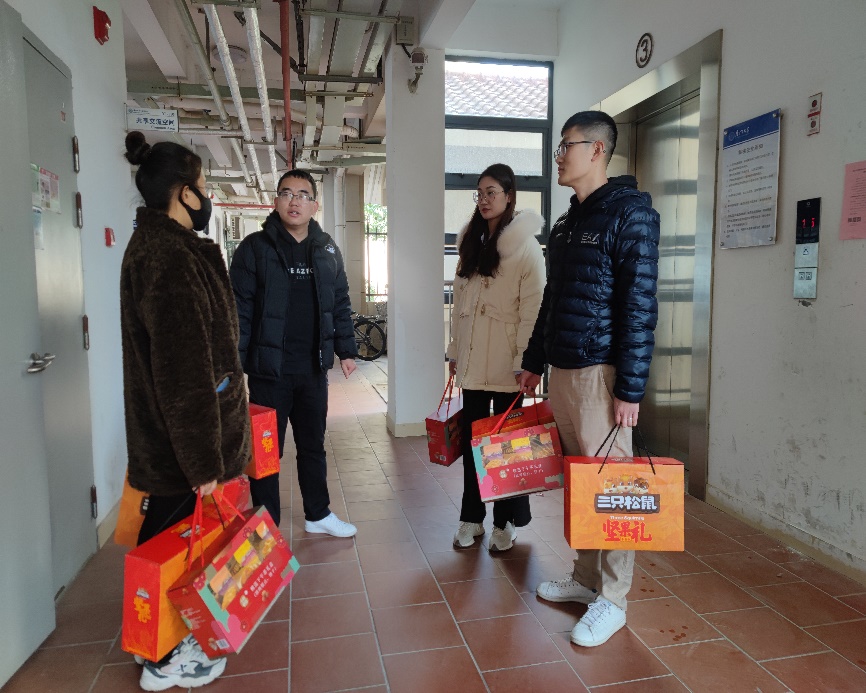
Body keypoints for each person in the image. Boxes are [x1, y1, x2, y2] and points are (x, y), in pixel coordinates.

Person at [519, 111, 660, 647]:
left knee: (614, 488)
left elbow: (639, 308)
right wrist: (535, 360)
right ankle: (584, 577)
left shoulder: (631, 215)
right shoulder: (567, 222)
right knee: (583, 484)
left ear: (597, 150)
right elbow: (551, 301)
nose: (559, 156)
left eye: (566, 146)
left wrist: (630, 389)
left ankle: (613, 599)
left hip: (601, 376)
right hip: (563, 372)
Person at [121, 131, 251, 690]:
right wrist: (203, 463)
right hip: (182, 442)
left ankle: (152, 639)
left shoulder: (156, 248)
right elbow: (183, 372)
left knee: (166, 540)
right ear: (183, 193)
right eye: (203, 186)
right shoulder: (170, 259)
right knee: (174, 544)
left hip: (168, 436)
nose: (207, 197)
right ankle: (165, 657)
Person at [230, 169, 358, 537]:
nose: (294, 200)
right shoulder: (254, 248)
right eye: (287, 193)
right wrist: (234, 362)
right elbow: (238, 309)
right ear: (276, 202)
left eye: (303, 194)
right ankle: (265, 524)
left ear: (314, 205)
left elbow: (340, 302)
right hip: (269, 371)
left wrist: (346, 350)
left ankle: (318, 514)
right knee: (266, 451)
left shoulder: (327, 249)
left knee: (313, 446)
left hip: (313, 370)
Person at [446, 163, 546, 551]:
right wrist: (454, 352)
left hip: (509, 365)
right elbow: (460, 307)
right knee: (473, 445)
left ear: (509, 196)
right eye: (480, 193)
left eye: (492, 192)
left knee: (507, 447)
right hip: (473, 362)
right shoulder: (471, 243)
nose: (485, 199)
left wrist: (527, 361)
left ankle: (506, 522)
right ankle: (472, 518)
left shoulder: (525, 246)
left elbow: (533, 310)